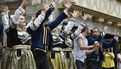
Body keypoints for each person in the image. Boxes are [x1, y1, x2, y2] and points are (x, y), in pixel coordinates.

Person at [30, 1, 72, 69]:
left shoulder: (47, 27)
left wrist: (66, 9)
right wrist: (52, 5)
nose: (46, 16)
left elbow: (56, 21)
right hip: (36, 55)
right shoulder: (36, 26)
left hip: (44, 55)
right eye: (43, 14)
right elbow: (43, 18)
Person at [0, 0, 40, 69]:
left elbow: (37, 23)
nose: (24, 20)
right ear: (16, 22)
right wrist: (22, 5)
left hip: (28, 58)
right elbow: (9, 22)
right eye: (21, 19)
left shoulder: (27, 30)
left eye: (24, 19)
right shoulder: (13, 31)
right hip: (17, 57)